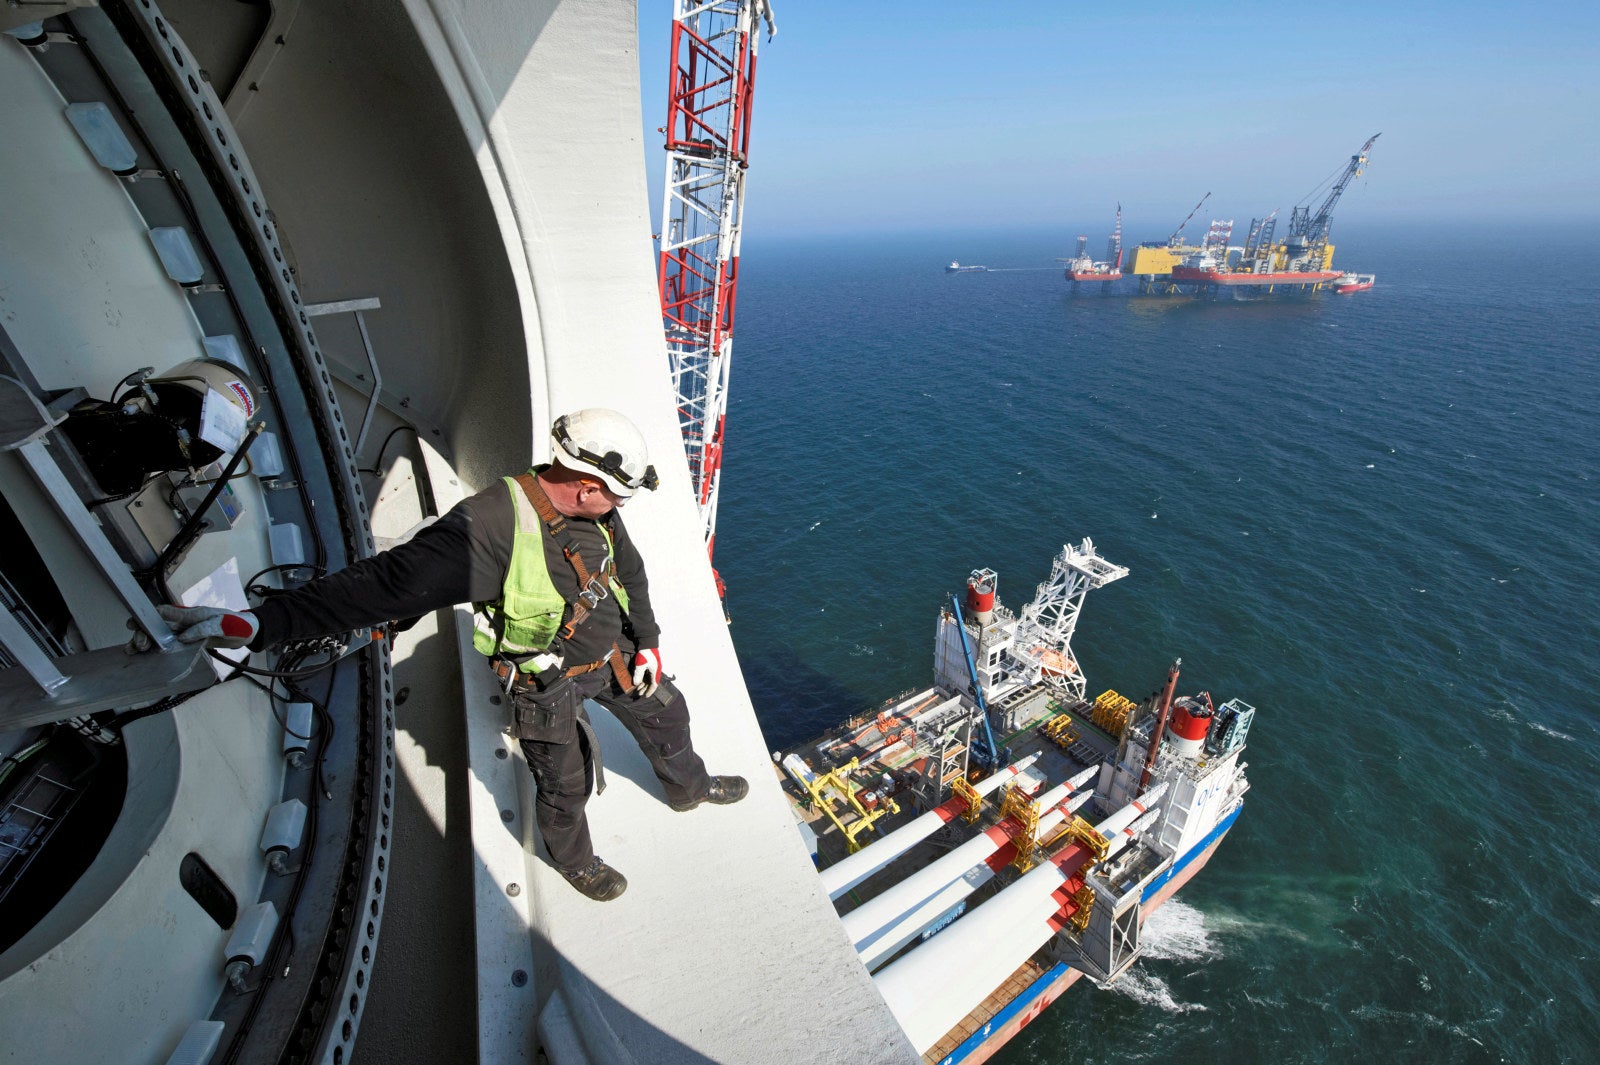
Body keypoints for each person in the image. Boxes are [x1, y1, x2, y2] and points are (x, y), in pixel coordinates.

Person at [159, 408, 747, 902]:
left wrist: (648, 643)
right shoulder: (486, 530)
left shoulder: (600, 514)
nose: (620, 506)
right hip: (546, 681)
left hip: (613, 657)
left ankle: (689, 788)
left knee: (669, 714)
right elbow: (380, 586)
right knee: (565, 784)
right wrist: (262, 624)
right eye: (616, 496)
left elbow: (630, 575)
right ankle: (575, 861)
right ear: (585, 485)